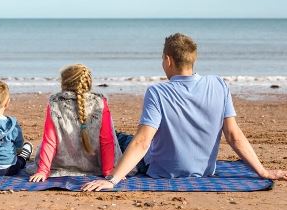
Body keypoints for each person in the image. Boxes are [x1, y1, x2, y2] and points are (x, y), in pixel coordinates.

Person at [82, 33, 287, 191]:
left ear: (168, 60)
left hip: (161, 172)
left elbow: (142, 142)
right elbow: (234, 136)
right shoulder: (219, 85)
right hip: (204, 172)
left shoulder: (157, 92)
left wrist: (113, 180)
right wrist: (262, 171)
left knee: (116, 137)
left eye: (163, 59)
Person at [29, 64, 123, 182]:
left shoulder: (55, 103)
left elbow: (50, 142)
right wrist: (108, 171)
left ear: (64, 83)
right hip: (96, 165)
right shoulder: (99, 102)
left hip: (61, 165)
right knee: (123, 139)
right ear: (88, 83)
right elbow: (106, 141)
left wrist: (43, 171)